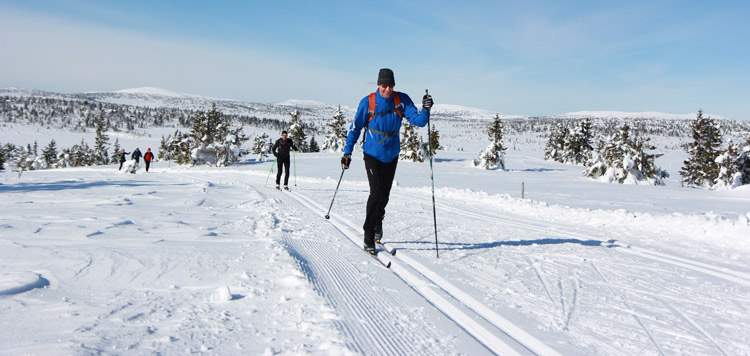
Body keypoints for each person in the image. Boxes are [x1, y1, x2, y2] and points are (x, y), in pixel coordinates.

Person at [341, 68, 433, 253]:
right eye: (384, 85)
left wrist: (426, 109)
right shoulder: (368, 102)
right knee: (375, 192)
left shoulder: (401, 100)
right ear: (378, 85)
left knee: (385, 194)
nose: (387, 89)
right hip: (372, 153)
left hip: (391, 154)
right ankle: (368, 234)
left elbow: (419, 121)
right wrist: (347, 152)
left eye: (390, 85)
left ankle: (378, 222)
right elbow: (355, 128)